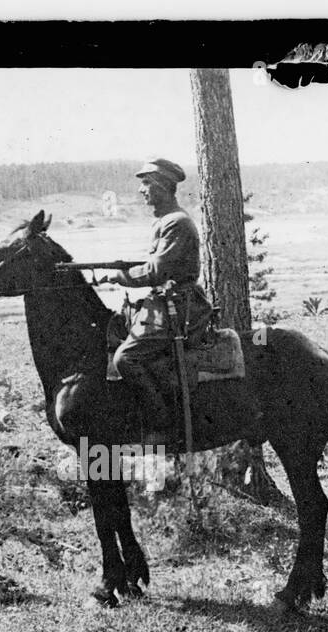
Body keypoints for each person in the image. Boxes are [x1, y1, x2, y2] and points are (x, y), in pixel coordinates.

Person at [98, 158, 212, 430]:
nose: (141, 190)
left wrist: (118, 275)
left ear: (162, 186)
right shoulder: (166, 221)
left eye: (147, 183)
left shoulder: (177, 222)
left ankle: (161, 423)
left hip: (180, 308)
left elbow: (156, 273)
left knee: (126, 358)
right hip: (166, 303)